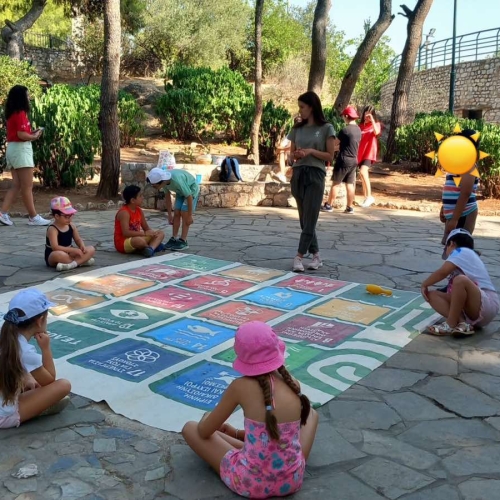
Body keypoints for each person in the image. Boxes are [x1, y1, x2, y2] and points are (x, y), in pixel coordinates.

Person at [182, 321, 318, 499]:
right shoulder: (292, 382)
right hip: (292, 480)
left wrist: (207, 418)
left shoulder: (240, 387)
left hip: (250, 483)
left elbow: (204, 431)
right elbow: (278, 434)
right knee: (312, 415)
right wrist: (236, 433)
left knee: (190, 428)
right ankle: (242, 442)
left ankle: (242, 447)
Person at [0, 289, 71, 429]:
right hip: (3, 415)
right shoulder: (24, 351)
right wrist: (45, 348)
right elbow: (49, 380)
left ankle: (30, 395)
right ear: (40, 321)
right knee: (63, 385)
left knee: (30, 381)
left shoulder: (5, 335)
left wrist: (27, 376)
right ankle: (38, 409)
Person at [287, 92, 336, 273]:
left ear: (312, 107)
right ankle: (316, 256)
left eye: (302, 107)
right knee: (304, 219)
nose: (299, 111)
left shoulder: (326, 128)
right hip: (299, 174)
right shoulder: (297, 128)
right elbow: (291, 155)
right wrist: (295, 156)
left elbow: (330, 156)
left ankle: (299, 256)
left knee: (311, 218)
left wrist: (310, 152)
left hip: (315, 175)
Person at [422, 228, 499, 336]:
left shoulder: (461, 251)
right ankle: (463, 323)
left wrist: (424, 284)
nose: (448, 255)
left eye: (447, 248)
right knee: (432, 295)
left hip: (487, 303)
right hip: (473, 308)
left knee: (460, 280)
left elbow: (442, 272)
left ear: (452, 244)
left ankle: (450, 323)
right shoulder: (467, 256)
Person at [0, 85, 51, 227]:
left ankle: (3, 213)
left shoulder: (12, 113)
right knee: (27, 186)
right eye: (27, 95)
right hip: (21, 150)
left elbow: (20, 132)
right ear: (21, 97)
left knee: (16, 185)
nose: (29, 98)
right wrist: (34, 136)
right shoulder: (20, 113)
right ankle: (33, 216)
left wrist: (31, 133)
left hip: (13, 149)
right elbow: (21, 135)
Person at [440, 131, 480, 258]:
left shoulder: (469, 166)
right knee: (450, 250)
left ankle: (465, 272)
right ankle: (456, 276)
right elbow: (452, 190)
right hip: (454, 214)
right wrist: (445, 209)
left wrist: (455, 219)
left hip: (464, 213)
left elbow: (465, 193)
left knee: (459, 249)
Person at [146, 167, 200, 251]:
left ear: (161, 182)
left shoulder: (176, 181)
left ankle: (183, 240)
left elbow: (189, 196)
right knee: (177, 212)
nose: (154, 187)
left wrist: (190, 216)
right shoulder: (164, 182)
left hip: (191, 190)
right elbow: (167, 198)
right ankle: (174, 238)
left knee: (184, 212)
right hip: (181, 192)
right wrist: (169, 215)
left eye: (155, 185)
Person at [321, 106, 361, 215]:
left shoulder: (345, 130)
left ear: (347, 116)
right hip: (354, 160)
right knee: (350, 184)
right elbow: (349, 144)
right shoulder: (358, 130)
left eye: (343, 116)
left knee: (336, 183)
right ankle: (349, 207)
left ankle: (329, 205)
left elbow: (335, 143)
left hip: (344, 159)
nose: (343, 118)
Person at [45, 196, 96, 272]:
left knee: (91, 249)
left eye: (71, 215)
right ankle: (81, 262)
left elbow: (78, 239)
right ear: (57, 216)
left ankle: (71, 264)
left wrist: (81, 245)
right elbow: (55, 247)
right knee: (58, 254)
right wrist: (74, 250)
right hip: (55, 254)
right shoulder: (53, 229)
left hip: (70, 254)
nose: (70, 219)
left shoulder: (71, 226)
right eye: (66, 216)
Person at [114, 185, 166, 257]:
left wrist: (152, 233)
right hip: (123, 242)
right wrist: (145, 234)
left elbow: (146, 228)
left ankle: (150, 249)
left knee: (160, 233)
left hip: (138, 237)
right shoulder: (124, 212)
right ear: (132, 200)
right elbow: (126, 233)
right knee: (139, 241)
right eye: (140, 196)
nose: (143, 197)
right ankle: (152, 247)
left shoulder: (139, 210)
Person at [357, 105, 381, 208]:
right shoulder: (360, 126)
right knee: (361, 175)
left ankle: (370, 196)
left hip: (369, 153)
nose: (367, 116)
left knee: (363, 172)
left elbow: (377, 132)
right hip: (360, 153)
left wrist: (372, 120)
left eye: (370, 114)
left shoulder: (376, 124)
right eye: (366, 113)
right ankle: (366, 197)